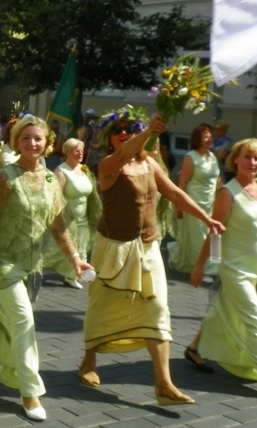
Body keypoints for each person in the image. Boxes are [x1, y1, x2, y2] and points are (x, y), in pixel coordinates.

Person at [78, 107, 224, 406]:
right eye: (119, 130)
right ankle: (88, 361)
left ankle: (164, 384)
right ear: (109, 138)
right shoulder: (108, 164)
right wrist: (148, 132)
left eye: (130, 129)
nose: (124, 134)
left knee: (157, 309)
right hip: (114, 247)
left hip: (148, 247)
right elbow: (123, 156)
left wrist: (206, 218)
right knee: (102, 306)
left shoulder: (149, 164)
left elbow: (175, 194)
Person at [0, 115, 93, 422]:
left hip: (31, 263)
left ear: (47, 144)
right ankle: (30, 390)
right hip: (2, 262)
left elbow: (58, 224)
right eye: (25, 138)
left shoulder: (50, 179)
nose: (32, 143)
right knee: (23, 319)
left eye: (38, 138)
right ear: (16, 142)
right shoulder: (6, 177)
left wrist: (75, 258)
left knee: (6, 315)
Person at [184, 139, 257, 399]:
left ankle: (194, 349)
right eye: (247, 157)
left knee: (222, 308)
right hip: (234, 268)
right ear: (235, 160)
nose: (252, 163)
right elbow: (215, 234)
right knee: (253, 318)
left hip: (254, 266)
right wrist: (201, 266)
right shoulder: (228, 193)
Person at [42, 137, 101, 289]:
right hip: (68, 217)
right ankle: (71, 275)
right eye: (76, 151)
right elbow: (56, 196)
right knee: (67, 246)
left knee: (82, 245)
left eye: (82, 150)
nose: (81, 153)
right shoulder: (61, 171)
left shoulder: (83, 169)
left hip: (83, 216)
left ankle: (76, 273)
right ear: (67, 153)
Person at [169, 123, 221, 277]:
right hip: (195, 203)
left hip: (211, 202)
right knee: (199, 237)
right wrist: (180, 205)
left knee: (214, 234)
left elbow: (218, 180)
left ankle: (214, 264)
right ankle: (202, 269)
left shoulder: (212, 157)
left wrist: (225, 195)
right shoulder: (191, 157)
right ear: (197, 139)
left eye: (210, 137)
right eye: (205, 137)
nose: (209, 140)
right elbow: (183, 182)